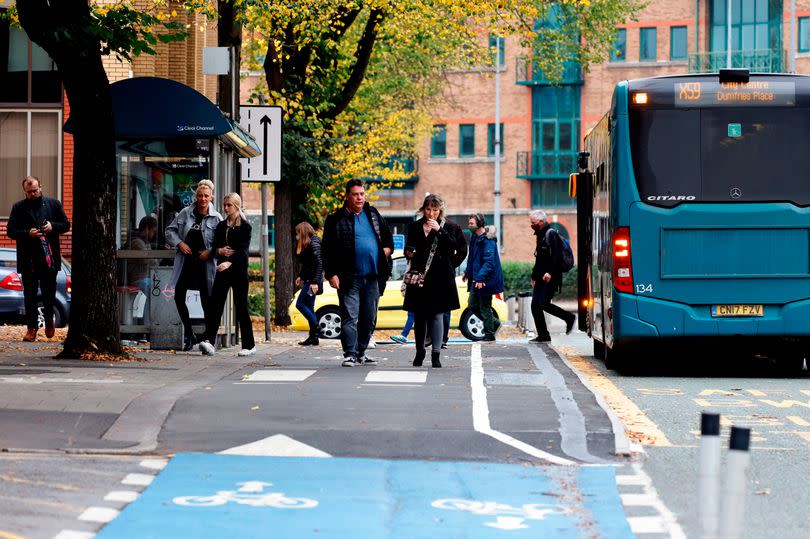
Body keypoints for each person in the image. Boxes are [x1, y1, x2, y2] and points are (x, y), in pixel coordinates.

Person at [322, 179, 393, 367]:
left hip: (372, 276)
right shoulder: (335, 219)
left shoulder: (374, 214)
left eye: (362, 194)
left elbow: (388, 240)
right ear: (348, 196)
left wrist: (384, 251)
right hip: (348, 277)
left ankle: (361, 352)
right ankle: (350, 354)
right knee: (350, 317)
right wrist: (331, 274)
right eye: (355, 194)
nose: (360, 197)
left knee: (369, 318)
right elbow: (326, 250)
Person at [6, 176, 70, 341]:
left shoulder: (53, 204)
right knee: (30, 295)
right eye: (29, 192)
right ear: (24, 191)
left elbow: (66, 224)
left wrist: (52, 226)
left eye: (35, 190)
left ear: (40, 186)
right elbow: (11, 231)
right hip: (28, 258)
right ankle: (32, 328)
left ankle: (49, 320)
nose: (33, 194)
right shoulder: (18, 207)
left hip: (48, 257)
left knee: (49, 293)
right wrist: (28, 233)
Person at [403, 194, 461, 368]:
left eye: (435, 210)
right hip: (420, 277)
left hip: (440, 278)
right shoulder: (414, 226)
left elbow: (454, 247)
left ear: (440, 210)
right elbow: (409, 247)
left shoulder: (449, 226)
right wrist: (409, 251)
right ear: (423, 209)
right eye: (428, 209)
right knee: (419, 316)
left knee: (437, 316)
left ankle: (436, 354)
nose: (431, 213)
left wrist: (439, 230)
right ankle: (419, 351)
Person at [165, 179, 222, 351]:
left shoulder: (217, 217)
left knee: (207, 301)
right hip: (186, 263)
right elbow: (169, 230)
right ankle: (189, 334)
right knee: (178, 296)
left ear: (211, 197)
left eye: (206, 196)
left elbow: (222, 242)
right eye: (200, 196)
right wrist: (179, 243)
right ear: (195, 196)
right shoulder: (185, 212)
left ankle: (206, 338)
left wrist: (209, 252)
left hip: (205, 266)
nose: (203, 199)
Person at [198, 193, 255, 357]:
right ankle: (209, 341)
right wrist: (219, 251)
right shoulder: (221, 226)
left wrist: (230, 262)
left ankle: (249, 345)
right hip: (222, 271)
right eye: (224, 205)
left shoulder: (245, 227)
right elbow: (215, 246)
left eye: (229, 205)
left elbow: (243, 252)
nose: (225, 208)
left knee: (241, 307)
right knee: (215, 305)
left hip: (238, 271)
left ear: (236, 206)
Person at [529, 209, 576, 342]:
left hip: (551, 277)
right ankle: (543, 335)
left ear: (541, 222)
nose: (531, 225)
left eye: (533, 223)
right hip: (540, 277)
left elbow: (556, 257)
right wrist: (534, 276)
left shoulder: (551, 234)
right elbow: (539, 259)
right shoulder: (540, 234)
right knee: (535, 306)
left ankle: (569, 317)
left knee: (543, 303)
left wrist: (550, 272)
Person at [463, 213, 504, 342]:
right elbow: (472, 258)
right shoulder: (475, 238)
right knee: (473, 305)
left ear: (479, 224)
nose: (469, 226)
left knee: (485, 307)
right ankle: (495, 324)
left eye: (471, 223)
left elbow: (489, 263)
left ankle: (489, 335)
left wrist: (480, 278)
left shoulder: (488, 240)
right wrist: (467, 272)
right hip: (476, 278)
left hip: (486, 280)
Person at [294, 221, 323, 346]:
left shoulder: (314, 244)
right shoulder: (308, 245)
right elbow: (307, 264)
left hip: (312, 281)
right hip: (309, 280)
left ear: (303, 232)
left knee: (300, 304)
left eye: (298, 233)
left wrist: (315, 282)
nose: (297, 236)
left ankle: (316, 327)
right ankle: (313, 337)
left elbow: (318, 264)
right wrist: (300, 276)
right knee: (309, 306)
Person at [128, 215, 158, 327]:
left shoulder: (144, 242)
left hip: (143, 277)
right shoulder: (137, 242)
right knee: (156, 289)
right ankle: (147, 325)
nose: (153, 234)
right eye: (152, 231)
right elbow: (147, 260)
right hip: (138, 278)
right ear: (146, 229)